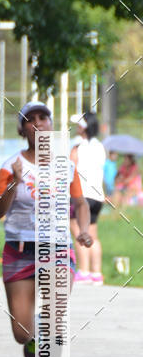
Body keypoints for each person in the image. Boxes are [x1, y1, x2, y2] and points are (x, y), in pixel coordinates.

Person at [0, 101, 93, 357]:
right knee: (23, 333)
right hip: (20, 251)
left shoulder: (67, 166)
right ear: (22, 129)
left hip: (58, 250)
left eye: (43, 118)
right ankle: (33, 341)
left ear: (51, 125)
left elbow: (81, 203)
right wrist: (15, 184)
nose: (38, 123)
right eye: (30, 119)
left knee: (54, 321)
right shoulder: (11, 165)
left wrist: (84, 229)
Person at [69, 112, 106, 284]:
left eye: (79, 125)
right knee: (93, 235)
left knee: (78, 231)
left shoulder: (78, 145)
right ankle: (96, 273)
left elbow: (70, 166)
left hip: (81, 196)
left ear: (84, 127)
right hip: (97, 196)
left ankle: (83, 271)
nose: (77, 127)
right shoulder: (99, 146)